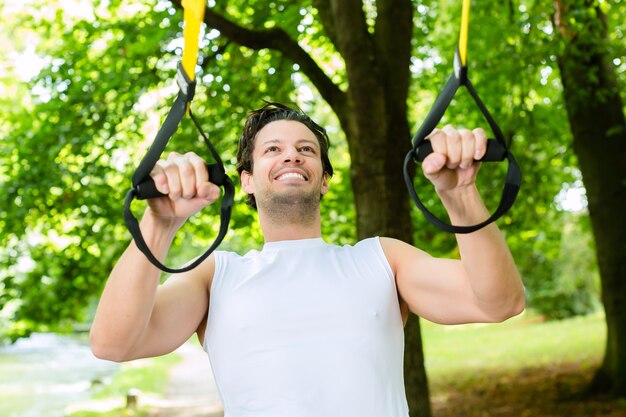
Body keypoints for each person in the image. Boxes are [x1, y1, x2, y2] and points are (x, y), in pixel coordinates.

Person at [90, 102, 525, 417]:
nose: (291, 155)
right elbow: (113, 343)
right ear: (246, 180)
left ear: (325, 181)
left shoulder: (382, 259)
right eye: (272, 150)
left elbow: (498, 302)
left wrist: (460, 195)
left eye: (306, 149)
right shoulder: (216, 274)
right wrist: (159, 226)